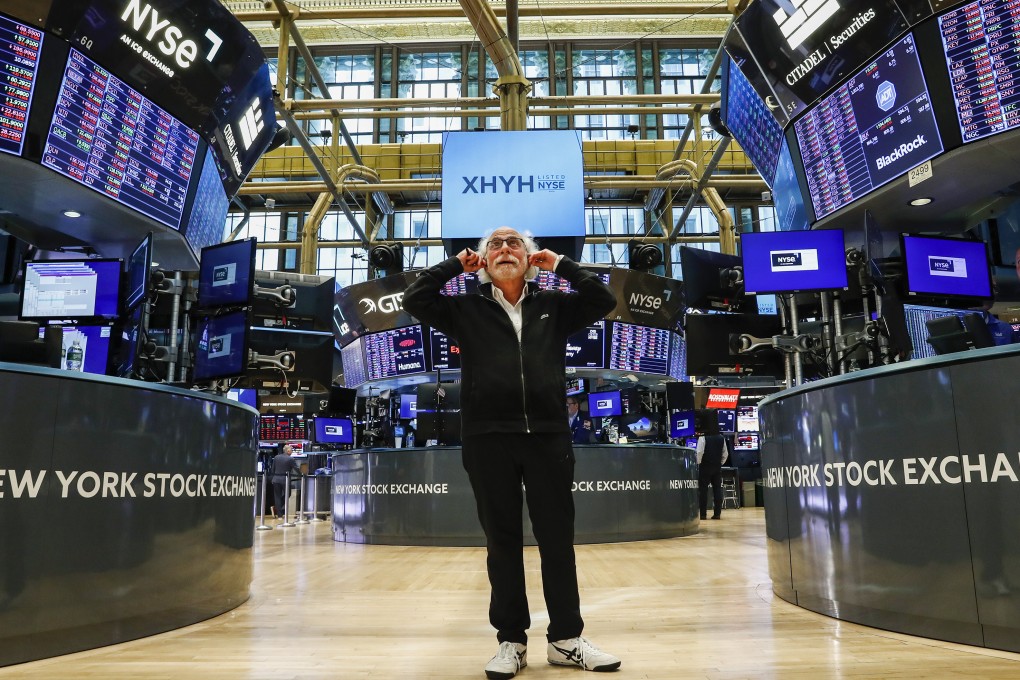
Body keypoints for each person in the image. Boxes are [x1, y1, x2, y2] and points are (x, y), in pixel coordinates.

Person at [403, 227, 621, 679]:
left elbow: (601, 299)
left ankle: (565, 639)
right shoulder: (464, 308)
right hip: (486, 438)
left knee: (557, 541)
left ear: (529, 255)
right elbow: (416, 299)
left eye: (514, 244)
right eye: (495, 246)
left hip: (548, 436)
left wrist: (560, 264)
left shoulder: (554, 305)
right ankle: (511, 641)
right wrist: (452, 266)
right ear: (482, 260)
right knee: (501, 544)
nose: (505, 250)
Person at [696, 410, 731, 520]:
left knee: (703, 491)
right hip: (717, 468)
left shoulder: (703, 438)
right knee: (717, 490)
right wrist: (719, 463)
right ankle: (717, 514)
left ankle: (702, 514)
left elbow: (699, 453)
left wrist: (699, 463)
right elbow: (725, 454)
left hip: (705, 467)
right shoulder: (721, 438)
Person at [270, 443, 300, 519]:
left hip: (276, 479)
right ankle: (278, 508)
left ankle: (279, 513)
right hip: (285, 479)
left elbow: (272, 469)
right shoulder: (291, 459)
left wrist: (272, 478)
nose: (292, 451)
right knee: (288, 494)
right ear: (288, 451)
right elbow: (296, 469)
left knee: (277, 496)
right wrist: (302, 474)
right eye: (291, 450)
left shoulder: (276, 457)